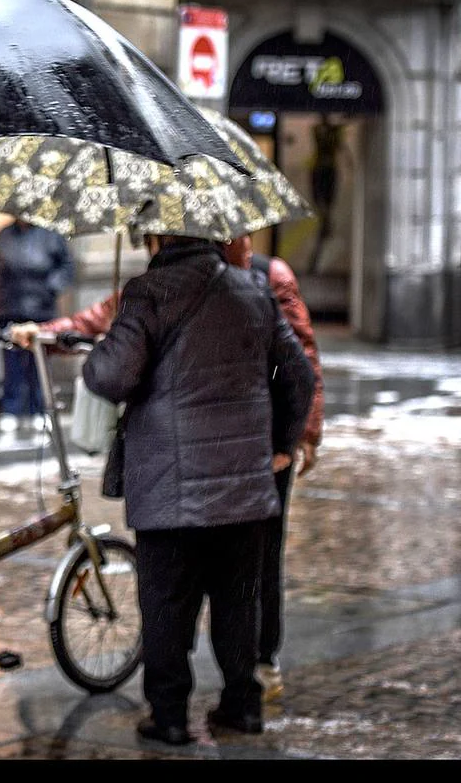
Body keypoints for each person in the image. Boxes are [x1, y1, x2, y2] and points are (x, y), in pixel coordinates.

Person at [81, 232, 314, 746]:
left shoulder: (149, 292)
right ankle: (242, 707)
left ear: (159, 235)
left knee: (167, 608)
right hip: (244, 489)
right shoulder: (253, 290)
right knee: (238, 606)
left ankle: (168, 716)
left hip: (170, 490)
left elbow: (112, 376)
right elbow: (295, 373)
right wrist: (282, 443)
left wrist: (101, 351)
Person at [222, 234, 325, 704]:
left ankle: (263, 657)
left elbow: (303, 357)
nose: (234, 240)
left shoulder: (270, 275)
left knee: (263, 552)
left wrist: (302, 433)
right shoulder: (186, 274)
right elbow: (107, 314)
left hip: (268, 441)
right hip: (219, 438)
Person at [0, 218, 74, 432]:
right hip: (9, 308)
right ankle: (11, 409)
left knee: (38, 363)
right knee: (11, 363)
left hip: (41, 310)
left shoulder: (51, 235)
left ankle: (39, 409)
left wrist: (51, 287)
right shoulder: (3, 236)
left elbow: (67, 266)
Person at [307, 113, 352, 275]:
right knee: (323, 205)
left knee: (325, 205)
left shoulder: (327, 131)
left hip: (325, 170)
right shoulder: (321, 131)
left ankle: (325, 224)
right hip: (322, 170)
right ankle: (325, 224)